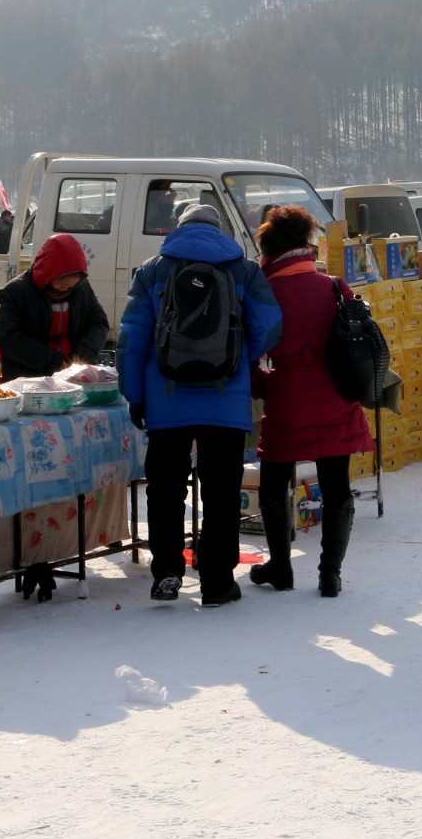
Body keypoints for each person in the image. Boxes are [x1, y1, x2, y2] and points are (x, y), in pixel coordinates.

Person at [119, 202, 282, 605]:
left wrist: (136, 396)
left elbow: (132, 340)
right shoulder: (243, 269)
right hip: (225, 401)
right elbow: (269, 323)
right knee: (222, 492)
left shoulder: (153, 270)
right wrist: (237, 358)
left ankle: (167, 572)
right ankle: (216, 580)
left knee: (165, 490)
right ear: (219, 228)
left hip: (166, 399)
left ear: (178, 227)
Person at [247, 206, 373, 597]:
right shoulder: (334, 287)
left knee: (273, 484)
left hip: (286, 398)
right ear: (305, 245)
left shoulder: (264, 293)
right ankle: (330, 574)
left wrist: (265, 386)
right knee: (336, 487)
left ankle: (281, 569)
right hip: (335, 396)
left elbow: (251, 354)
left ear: (268, 250)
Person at [0, 233, 110, 379]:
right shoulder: (16, 292)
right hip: (29, 378)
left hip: (73, 375)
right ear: (47, 275)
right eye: (61, 284)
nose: (66, 289)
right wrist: (51, 361)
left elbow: (98, 322)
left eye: (71, 286)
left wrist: (82, 355)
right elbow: (6, 336)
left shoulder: (81, 289)